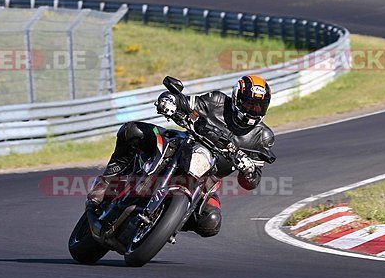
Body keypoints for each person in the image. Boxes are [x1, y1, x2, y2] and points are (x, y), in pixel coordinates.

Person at [86, 75, 276, 238]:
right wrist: (169, 101)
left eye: (259, 107)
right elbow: (183, 101)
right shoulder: (217, 102)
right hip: (181, 144)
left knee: (211, 223)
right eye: (249, 104)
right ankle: (107, 182)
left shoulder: (263, 137)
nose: (253, 110)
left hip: (206, 181)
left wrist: (249, 169)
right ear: (236, 99)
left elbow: (252, 181)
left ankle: (167, 221)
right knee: (132, 131)